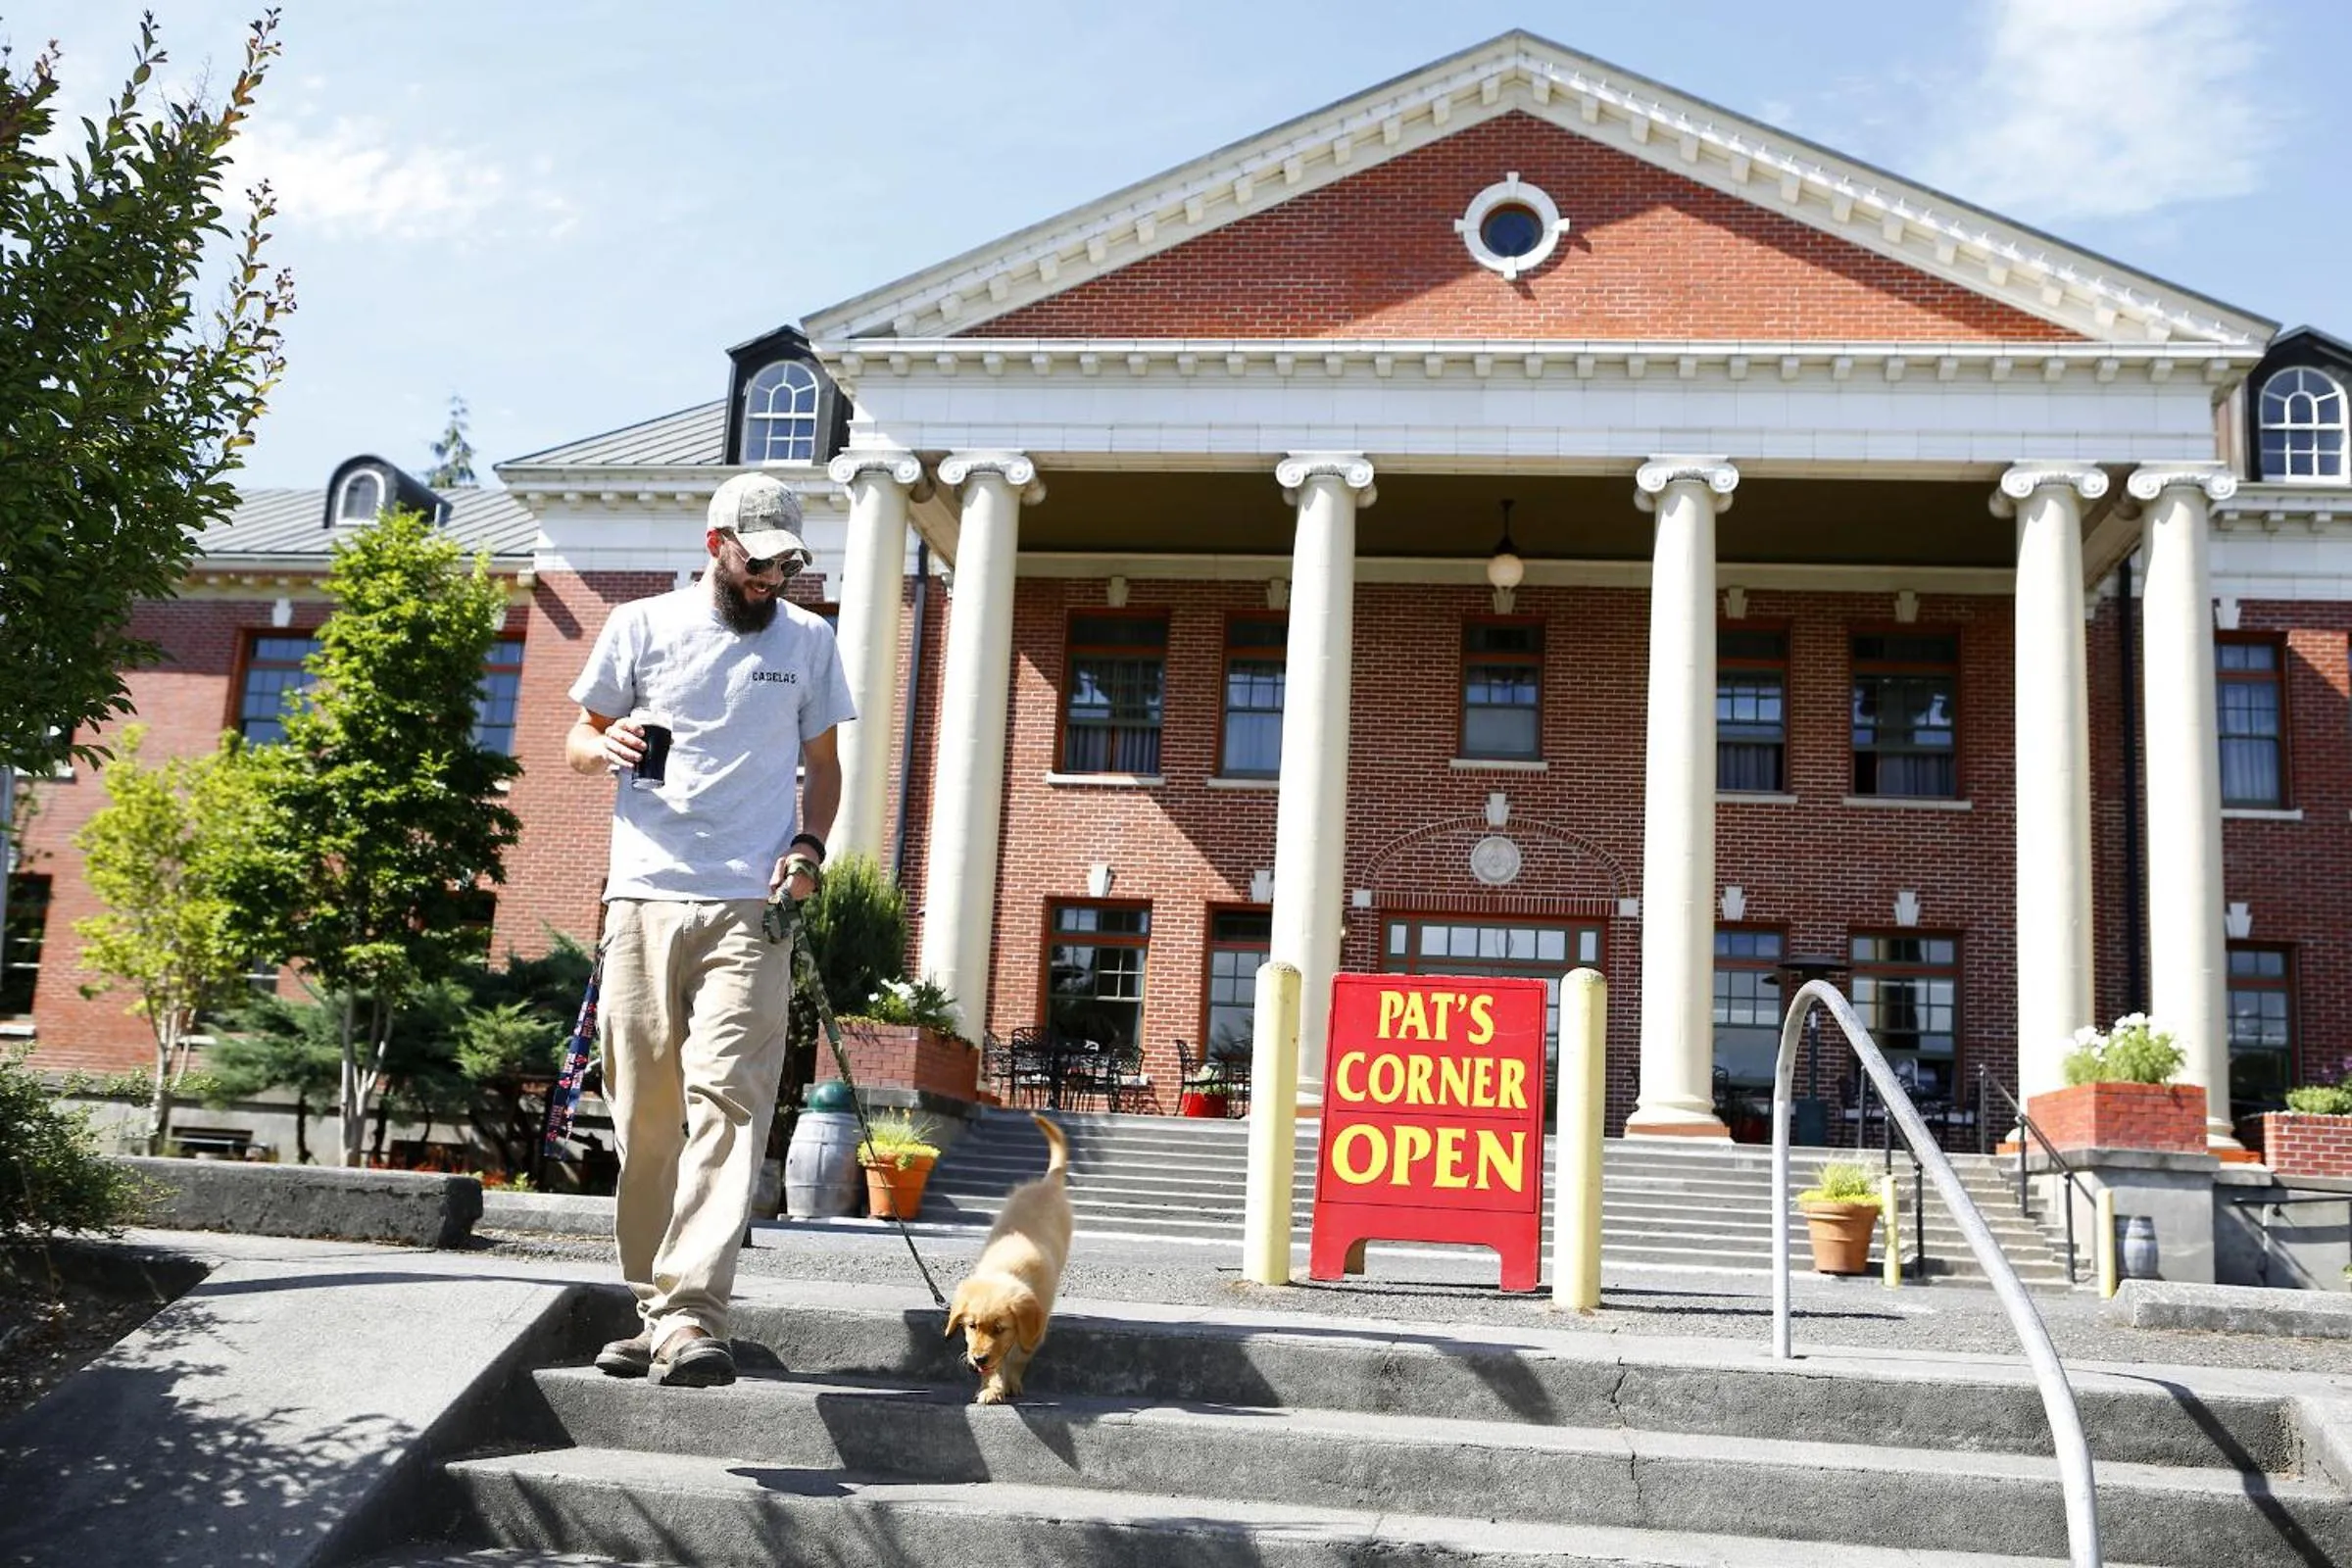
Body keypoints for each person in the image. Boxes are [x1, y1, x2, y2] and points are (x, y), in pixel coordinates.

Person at [564, 471, 855, 1388]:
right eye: (756, 562)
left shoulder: (809, 640)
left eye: (785, 566)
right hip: (643, 898)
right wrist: (602, 745)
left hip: (751, 906)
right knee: (645, 1115)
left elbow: (825, 766)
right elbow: (578, 737)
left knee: (730, 1099)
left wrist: (808, 848)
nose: (771, 579)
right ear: (715, 544)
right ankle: (653, 1310)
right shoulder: (639, 626)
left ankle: (693, 1315)